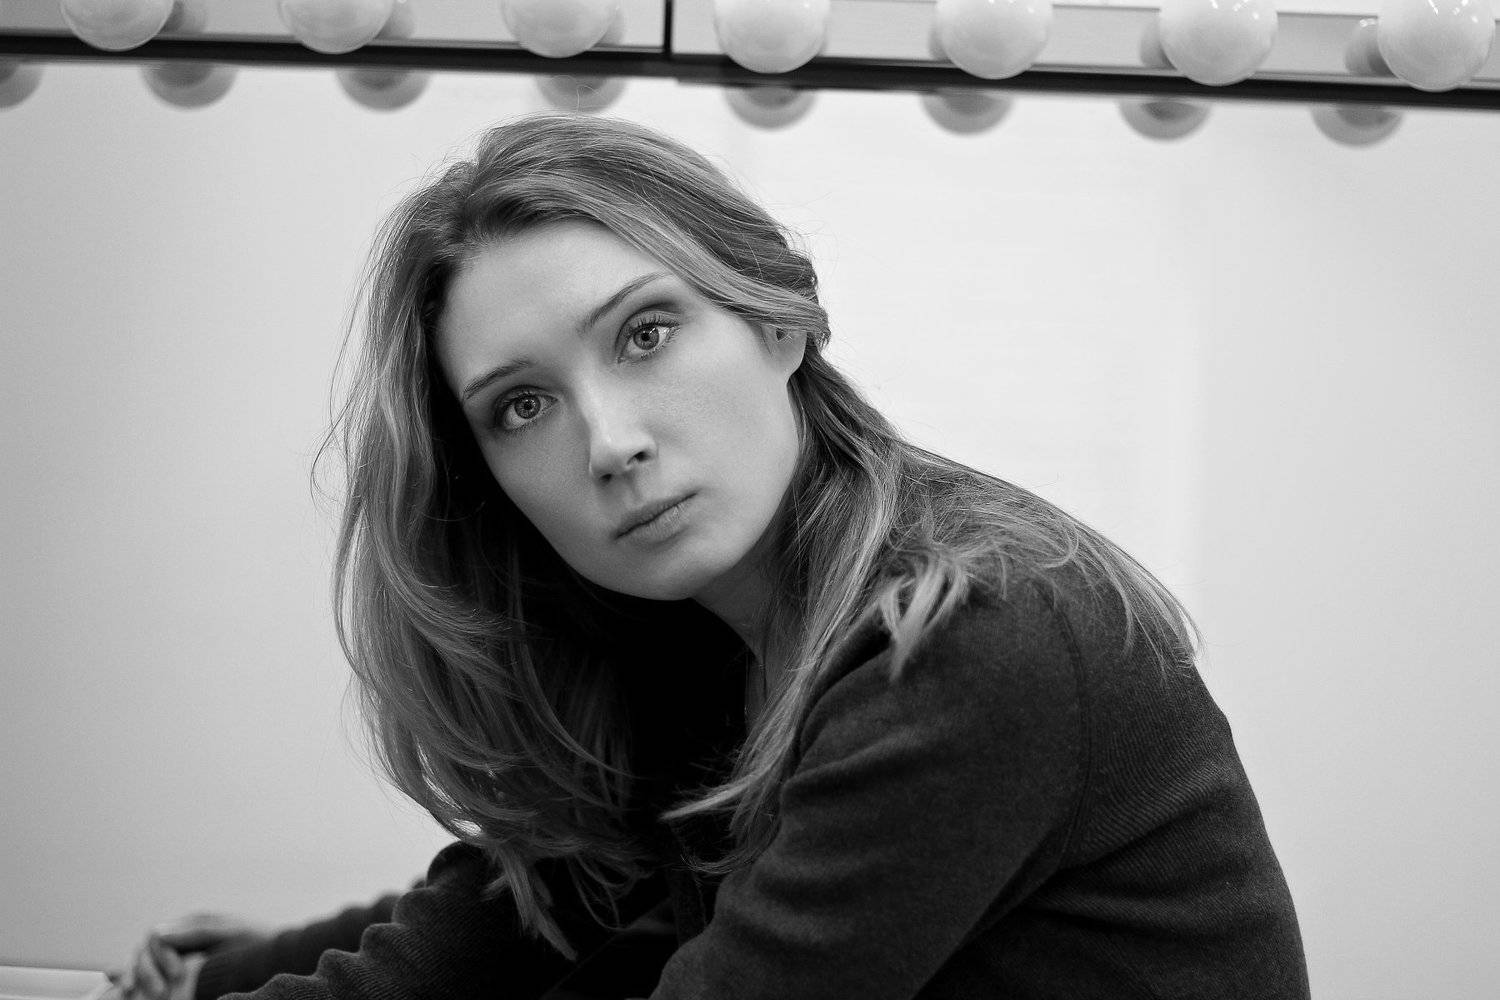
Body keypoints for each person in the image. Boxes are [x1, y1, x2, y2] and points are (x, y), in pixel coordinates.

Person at [104, 111, 1311, 1000]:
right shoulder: (700, 638)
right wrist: (223, 976)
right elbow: (521, 915)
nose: (610, 443)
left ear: (778, 316)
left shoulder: (968, 640)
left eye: (646, 333)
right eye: (522, 406)